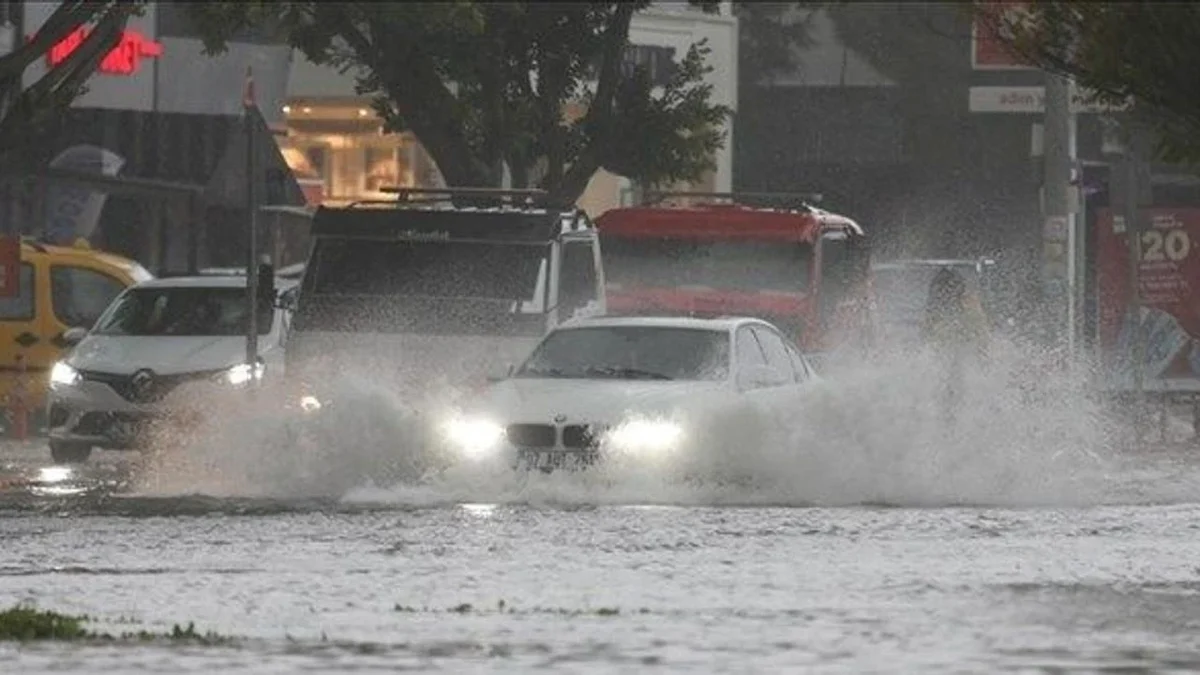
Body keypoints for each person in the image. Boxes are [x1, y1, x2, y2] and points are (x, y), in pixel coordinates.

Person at [920, 268, 991, 425]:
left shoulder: (968, 307)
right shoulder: (960, 307)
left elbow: (982, 337)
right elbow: (927, 337)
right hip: (952, 363)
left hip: (959, 363)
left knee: (952, 399)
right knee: (950, 400)